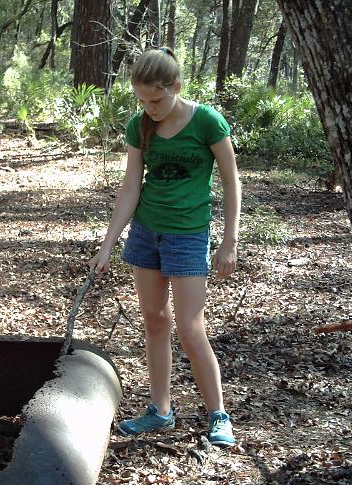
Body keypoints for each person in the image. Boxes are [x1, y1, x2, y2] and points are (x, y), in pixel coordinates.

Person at [89, 47, 241, 447]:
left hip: (189, 235)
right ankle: (160, 411)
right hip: (146, 232)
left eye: (155, 99)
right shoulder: (140, 125)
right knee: (155, 320)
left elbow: (231, 181)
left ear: (176, 87)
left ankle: (218, 414)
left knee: (191, 328)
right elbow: (130, 187)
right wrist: (108, 243)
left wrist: (229, 240)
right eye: (141, 100)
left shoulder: (206, 121)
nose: (149, 107)